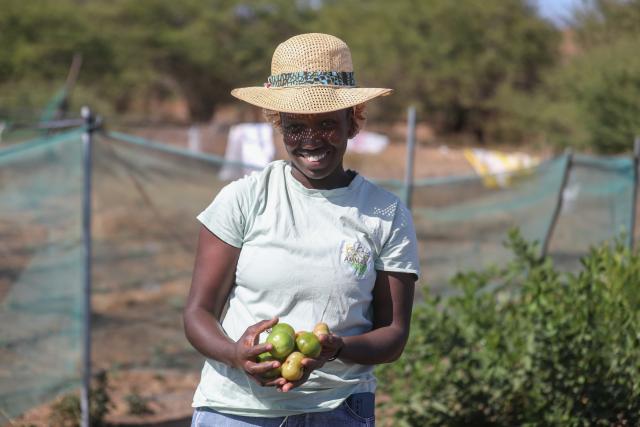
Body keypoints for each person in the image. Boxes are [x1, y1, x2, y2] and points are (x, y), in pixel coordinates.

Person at [184, 33, 420, 427]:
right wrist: (234, 355)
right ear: (279, 124)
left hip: (338, 411)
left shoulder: (385, 213)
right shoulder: (244, 199)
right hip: (235, 410)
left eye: (327, 124)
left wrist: (337, 348)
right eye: (295, 126)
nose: (310, 140)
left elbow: (393, 334)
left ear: (353, 121)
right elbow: (198, 313)